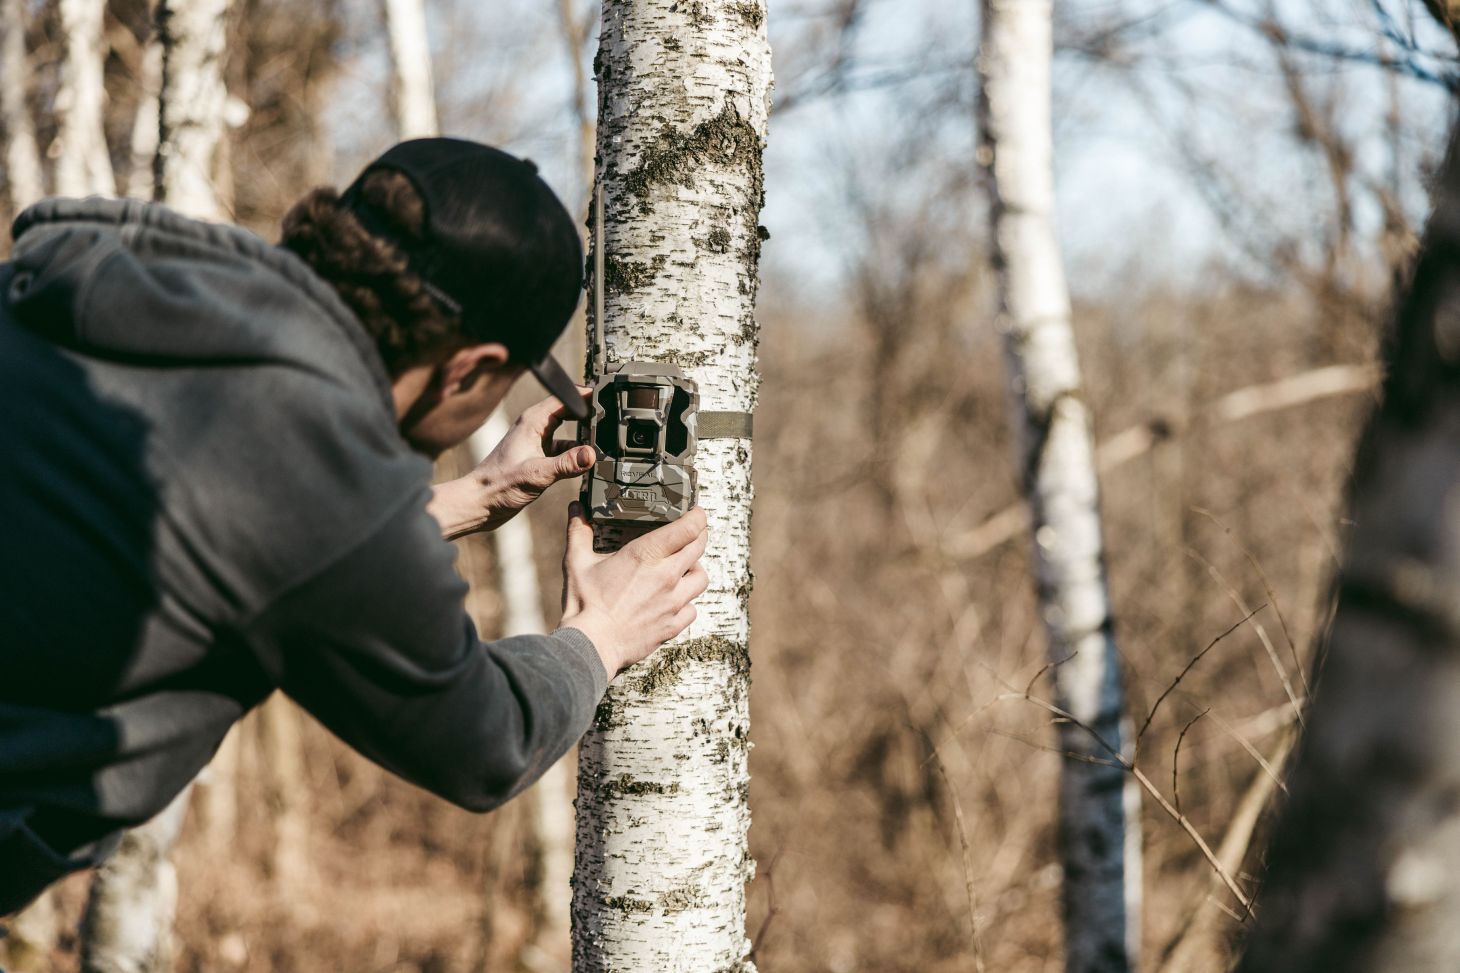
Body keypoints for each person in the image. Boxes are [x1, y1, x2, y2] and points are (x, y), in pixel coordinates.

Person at [0, 137, 709, 915]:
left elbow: (221, 530)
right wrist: (599, 636)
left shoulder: (127, 286)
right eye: (506, 381)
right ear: (469, 367)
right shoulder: (319, 479)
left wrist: (465, 498)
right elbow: (484, 741)